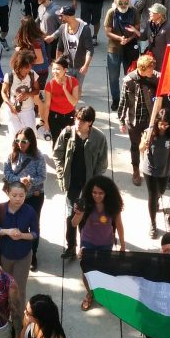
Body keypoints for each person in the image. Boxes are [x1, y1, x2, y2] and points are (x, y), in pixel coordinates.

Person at [53, 105, 108, 260]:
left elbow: (102, 163)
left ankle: (85, 247)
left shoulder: (99, 137)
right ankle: (71, 246)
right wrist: (60, 174)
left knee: (86, 217)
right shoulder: (67, 133)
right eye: (77, 119)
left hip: (89, 185)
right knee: (71, 215)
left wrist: (95, 184)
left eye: (83, 121)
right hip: (72, 183)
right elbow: (57, 154)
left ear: (90, 122)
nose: (78, 123)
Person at [72, 175, 125, 311]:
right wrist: (78, 213)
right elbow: (73, 223)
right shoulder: (86, 205)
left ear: (107, 193)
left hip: (106, 244)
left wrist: (123, 245)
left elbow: (118, 224)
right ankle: (90, 294)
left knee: (103, 271)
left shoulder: (113, 206)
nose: (97, 196)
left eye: (101, 193)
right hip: (88, 242)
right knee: (86, 271)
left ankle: (101, 294)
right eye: (94, 192)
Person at [3, 128, 46, 271]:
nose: (20, 144)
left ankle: (33, 255)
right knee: (16, 222)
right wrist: (19, 180)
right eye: (18, 141)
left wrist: (30, 181)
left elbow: (43, 177)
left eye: (24, 141)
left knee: (33, 225)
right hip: (16, 197)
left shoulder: (38, 157)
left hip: (33, 197)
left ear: (31, 142)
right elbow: (7, 173)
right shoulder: (12, 155)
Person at [117, 53, 159, 187]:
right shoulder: (129, 81)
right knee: (135, 146)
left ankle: (150, 169)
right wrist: (121, 121)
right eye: (150, 69)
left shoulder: (155, 77)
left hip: (150, 119)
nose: (152, 72)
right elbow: (123, 102)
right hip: (134, 120)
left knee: (151, 145)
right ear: (142, 69)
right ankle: (136, 170)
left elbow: (163, 79)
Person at [140, 108, 170, 239]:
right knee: (152, 194)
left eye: (166, 125)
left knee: (161, 191)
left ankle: (156, 202)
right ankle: (153, 224)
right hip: (149, 169)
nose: (163, 127)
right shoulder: (148, 132)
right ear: (156, 122)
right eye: (161, 124)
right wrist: (145, 143)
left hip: (165, 169)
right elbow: (140, 148)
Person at [104, 0, 141, 111]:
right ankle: (116, 99)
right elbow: (107, 32)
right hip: (114, 49)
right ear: (116, 2)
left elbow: (137, 29)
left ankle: (128, 100)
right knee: (114, 77)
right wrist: (120, 38)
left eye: (126, 2)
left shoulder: (134, 11)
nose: (124, 4)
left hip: (130, 49)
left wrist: (128, 39)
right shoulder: (111, 12)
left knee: (130, 77)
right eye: (121, 2)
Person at [48, 6, 94, 88]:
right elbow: (60, 47)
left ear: (68, 16)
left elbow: (89, 49)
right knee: (67, 87)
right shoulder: (62, 28)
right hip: (67, 66)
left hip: (80, 66)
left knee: (78, 88)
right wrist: (57, 64)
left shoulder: (85, 30)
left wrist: (86, 65)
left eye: (61, 15)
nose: (59, 17)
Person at [41, 55, 80, 144]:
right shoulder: (49, 85)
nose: (55, 71)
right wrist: (45, 121)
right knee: (56, 141)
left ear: (65, 70)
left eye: (58, 69)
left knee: (70, 140)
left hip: (69, 115)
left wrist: (65, 89)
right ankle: (57, 158)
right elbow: (46, 105)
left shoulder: (73, 81)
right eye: (53, 69)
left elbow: (74, 102)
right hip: (55, 117)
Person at [1, 49, 40, 139]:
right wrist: (11, 106)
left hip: (28, 110)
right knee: (15, 138)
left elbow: (37, 90)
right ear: (19, 66)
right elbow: (3, 92)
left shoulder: (32, 74)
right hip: (13, 112)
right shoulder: (10, 76)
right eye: (26, 68)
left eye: (30, 67)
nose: (28, 70)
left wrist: (27, 94)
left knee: (30, 137)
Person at [141, 3, 170, 71]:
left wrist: (167, 62)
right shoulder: (150, 23)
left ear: (159, 14)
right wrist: (134, 32)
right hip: (150, 57)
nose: (149, 13)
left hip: (161, 61)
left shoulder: (168, 28)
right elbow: (143, 37)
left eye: (152, 12)